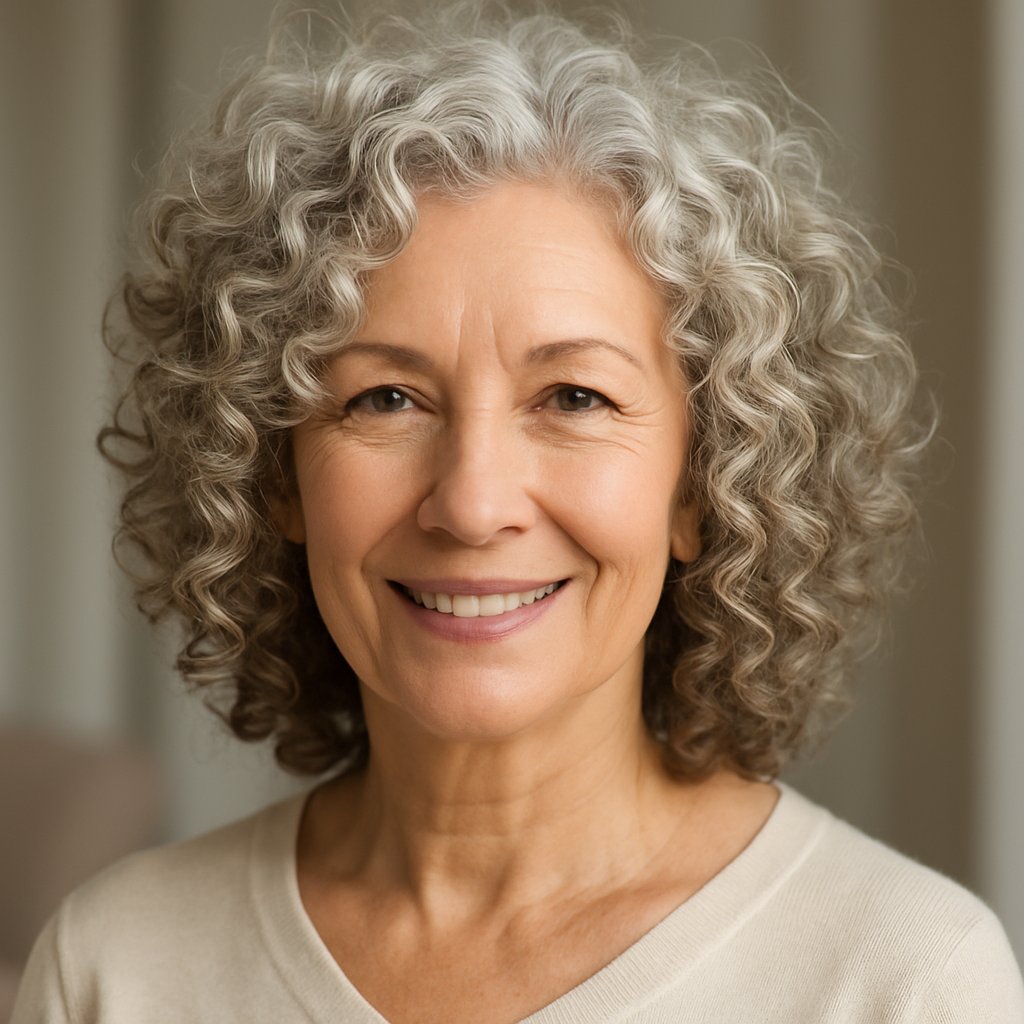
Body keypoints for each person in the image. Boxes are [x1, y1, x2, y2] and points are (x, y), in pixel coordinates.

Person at [12, 3, 1024, 1021]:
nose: (472, 501)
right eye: (385, 398)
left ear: (701, 482)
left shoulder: (904, 978)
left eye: (574, 398)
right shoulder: (116, 964)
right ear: (274, 476)